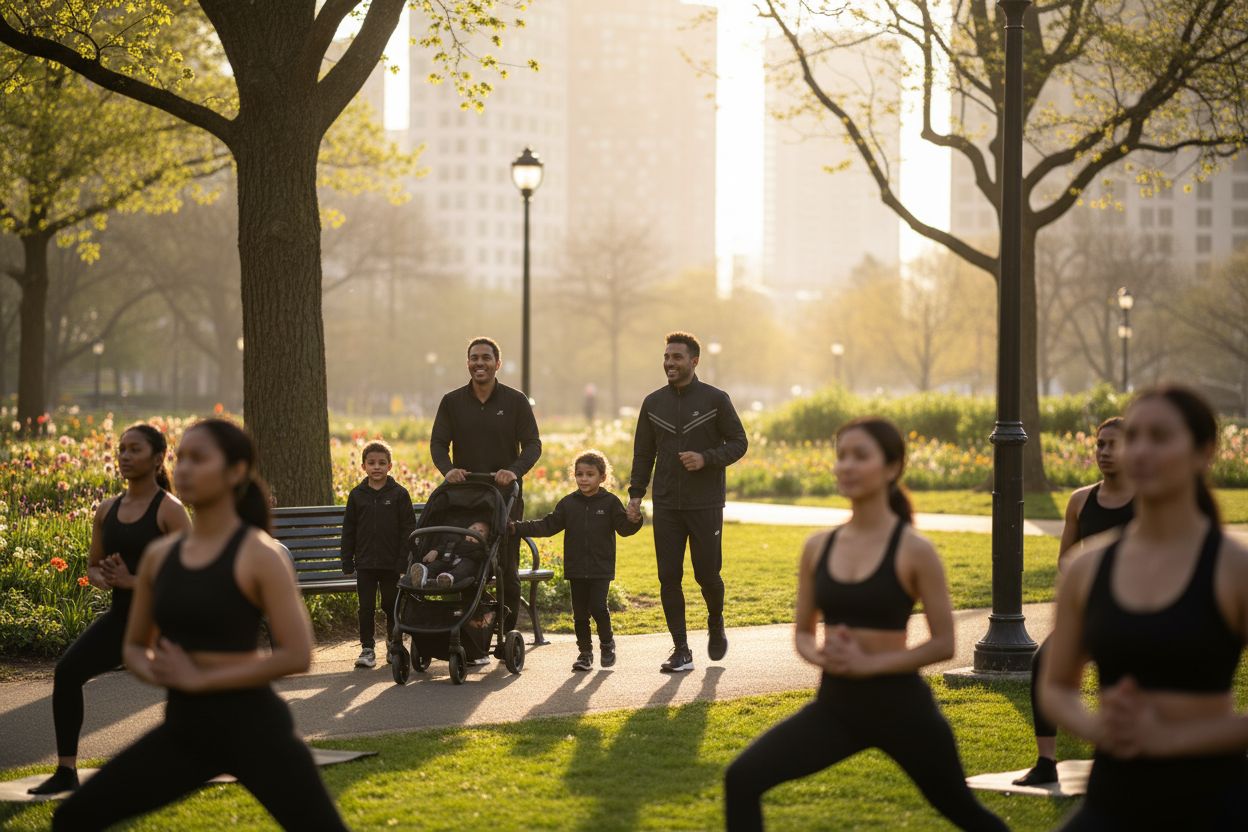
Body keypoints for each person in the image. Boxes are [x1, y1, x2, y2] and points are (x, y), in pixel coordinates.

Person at [53, 418, 347, 832]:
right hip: (185, 733)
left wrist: (200, 675)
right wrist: (157, 668)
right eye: (182, 457)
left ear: (236, 471)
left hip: (256, 730)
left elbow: (297, 655)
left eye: (199, 458)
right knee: (73, 818)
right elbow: (135, 645)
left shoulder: (259, 554)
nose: (185, 468)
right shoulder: (160, 557)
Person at [723, 418, 1008, 832]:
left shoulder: (914, 549)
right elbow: (803, 631)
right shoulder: (818, 546)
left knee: (965, 812)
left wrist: (868, 665)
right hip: (836, 707)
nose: (847, 466)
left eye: (861, 456)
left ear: (892, 468)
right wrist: (820, 653)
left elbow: (944, 643)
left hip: (902, 709)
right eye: (841, 456)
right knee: (742, 778)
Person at [1040, 386, 1248, 830]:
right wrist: (1099, 729)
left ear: (1204, 452)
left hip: (1213, 803)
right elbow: (1056, 688)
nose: (1141, 451)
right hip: (1113, 800)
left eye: (1160, 437)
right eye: (1134, 437)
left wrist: (1169, 739)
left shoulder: (1234, 569)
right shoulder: (1086, 568)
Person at [28, 424, 191, 796]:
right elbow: (92, 564)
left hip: (169, 620)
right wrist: (101, 577)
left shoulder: (170, 511)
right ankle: (67, 770)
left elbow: (189, 574)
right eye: (121, 450)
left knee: (190, 689)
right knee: (67, 672)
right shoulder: (106, 509)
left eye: (135, 450)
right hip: (124, 619)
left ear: (157, 457)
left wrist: (133, 580)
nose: (125, 457)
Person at [1013, 417, 1135, 786]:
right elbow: (1067, 561)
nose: (1105, 452)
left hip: (1135, 615)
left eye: (1114, 444)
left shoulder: (1149, 501)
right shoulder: (1080, 501)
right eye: (1100, 444)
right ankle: (1046, 762)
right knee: (1043, 662)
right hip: (1090, 615)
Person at [627, 331, 747, 673]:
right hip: (666, 504)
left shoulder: (716, 400)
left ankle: (715, 620)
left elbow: (739, 442)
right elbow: (643, 453)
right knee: (668, 577)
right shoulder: (652, 403)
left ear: (694, 361)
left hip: (705, 502)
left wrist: (706, 458)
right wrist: (636, 495)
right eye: (666, 357)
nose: (669, 363)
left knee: (707, 574)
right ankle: (681, 649)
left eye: (676, 357)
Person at [430, 336, 541, 652]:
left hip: (504, 497)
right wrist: (447, 469)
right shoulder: (452, 402)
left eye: (485, 358)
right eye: (474, 358)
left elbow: (533, 444)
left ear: (497, 363)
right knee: (466, 560)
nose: (480, 363)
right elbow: (438, 443)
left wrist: (514, 470)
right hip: (465, 497)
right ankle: (471, 636)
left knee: (505, 565)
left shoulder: (515, 401)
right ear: (468, 363)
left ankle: (504, 635)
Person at [513, 450, 642, 671]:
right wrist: (517, 527)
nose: (583, 478)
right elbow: (547, 525)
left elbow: (624, 529)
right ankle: (585, 654)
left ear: (602, 477)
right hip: (576, 568)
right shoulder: (568, 504)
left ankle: (607, 643)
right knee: (580, 614)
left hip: (601, 568)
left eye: (589, 474)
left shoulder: (610, 502)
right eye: (579, 474)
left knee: (598, 607)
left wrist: (635, 519)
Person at [340, 440, 417, 669]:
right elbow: (349, 529)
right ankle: (367, 648)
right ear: (363, 466)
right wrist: (347, 559)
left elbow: (408, 530)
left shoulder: (399, 494)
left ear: (390, 466)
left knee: (391, 604)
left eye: (382, 463)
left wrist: (403, 560)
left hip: (391, 563)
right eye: (371, 463)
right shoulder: (357, 495)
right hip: (364, 563)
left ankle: (394, 646)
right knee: (366, 607)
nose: (377, 467)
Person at [410, 519, 491, 588]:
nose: (476, 531)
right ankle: (423, 575)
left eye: (481, 531)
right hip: (447, 560)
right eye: (474, 528)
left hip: (464, 567)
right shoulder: (455, 540)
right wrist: (435, 551)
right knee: (436, 564)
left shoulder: (481, 548)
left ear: (485, 538)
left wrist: (470, 546)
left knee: (465, 567)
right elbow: (444, 547)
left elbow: (480, 556)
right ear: (466, 530)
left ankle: (448, 579)